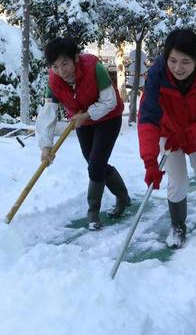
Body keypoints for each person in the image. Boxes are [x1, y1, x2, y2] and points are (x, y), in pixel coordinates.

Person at [138, 29, 196, 249]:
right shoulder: (157, 75)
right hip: (168, 135)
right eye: (173, 60)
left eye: (185, 62)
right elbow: (148, 117)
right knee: (178, 181)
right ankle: (178, 225)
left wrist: (187, 135)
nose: (178, 68)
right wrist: (150, 162)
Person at [36, 37, 131, 230]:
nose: (61, 71)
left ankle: (93, 213)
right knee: (95, 163)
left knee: (96, 164)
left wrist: (87, 114)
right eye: (55, 66)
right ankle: (123, 197)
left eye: (65, 63)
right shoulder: (54, 82)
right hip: (81, 121)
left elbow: (109, 101)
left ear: (76, 58)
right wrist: (45, 145)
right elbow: (48, 113)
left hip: (108, 117)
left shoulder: (94, 68)